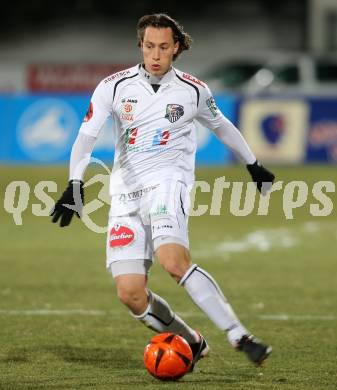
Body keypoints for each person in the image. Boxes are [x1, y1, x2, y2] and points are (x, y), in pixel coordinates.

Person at [51, 13, 275, 370]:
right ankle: (192, 341)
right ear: (141, 46)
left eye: (164, 47)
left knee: (173, 261)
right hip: (126, 192)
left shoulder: (193, 90)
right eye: (149, 46)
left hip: (169, 183)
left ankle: (239, 335)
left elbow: (223, 126)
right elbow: (86, 139)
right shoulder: (114, 86)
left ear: (177, 48)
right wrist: (74, 184)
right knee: (130, 293)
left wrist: (253, 163)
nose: (155, 55)